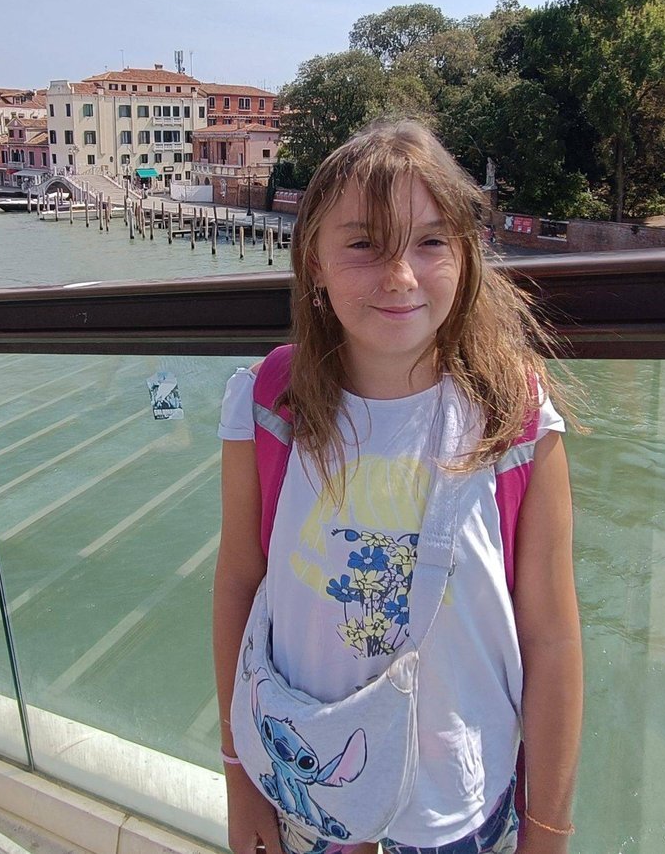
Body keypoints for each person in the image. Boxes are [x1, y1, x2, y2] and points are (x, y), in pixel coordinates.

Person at [213, 119, 582, 854]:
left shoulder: (513, 415)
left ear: (467, 256)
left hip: (458, 809)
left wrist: (547, 829)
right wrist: (240, 779)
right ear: (312, 260)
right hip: (306, 784)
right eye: (363, 244)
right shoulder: (266, 402)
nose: (401, 275)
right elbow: (237, 585)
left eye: (431, 241)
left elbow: (551, 637)